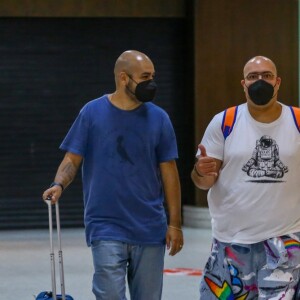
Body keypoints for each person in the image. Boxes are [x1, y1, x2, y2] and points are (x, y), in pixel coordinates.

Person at [42, 50, 183, 300]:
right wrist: (59, 184)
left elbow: (169, 172)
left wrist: (174, 223)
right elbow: (72, 159)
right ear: (123, 78)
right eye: (145, 76)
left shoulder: (159, 118)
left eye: (153, 76)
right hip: (105, 225)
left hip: (150, 226)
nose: (152, 83)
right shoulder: (92, 113)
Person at [191, 56, 300, 299]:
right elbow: (203, 182)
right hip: (231, 239)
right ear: (243, 83)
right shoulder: (224, 122)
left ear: (278, 81)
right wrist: (201, 171)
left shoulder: (297, 121)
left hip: (285, 239)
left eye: (267, 75)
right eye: (253, 76)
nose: (260, 81)